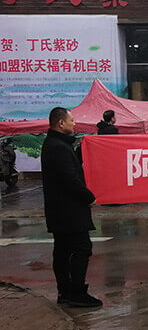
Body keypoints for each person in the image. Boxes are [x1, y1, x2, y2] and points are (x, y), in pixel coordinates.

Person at [42, 107, 102, 307]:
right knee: (82, 248)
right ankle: (77, 293)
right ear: (61, 123)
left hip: (59, 210)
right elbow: (70, 179)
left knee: (63, 251)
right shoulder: (58, 147)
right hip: (69, 211)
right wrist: (88, 197)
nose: (74, 124)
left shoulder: (54, 144)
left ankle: (65, 292)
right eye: (72, 120)